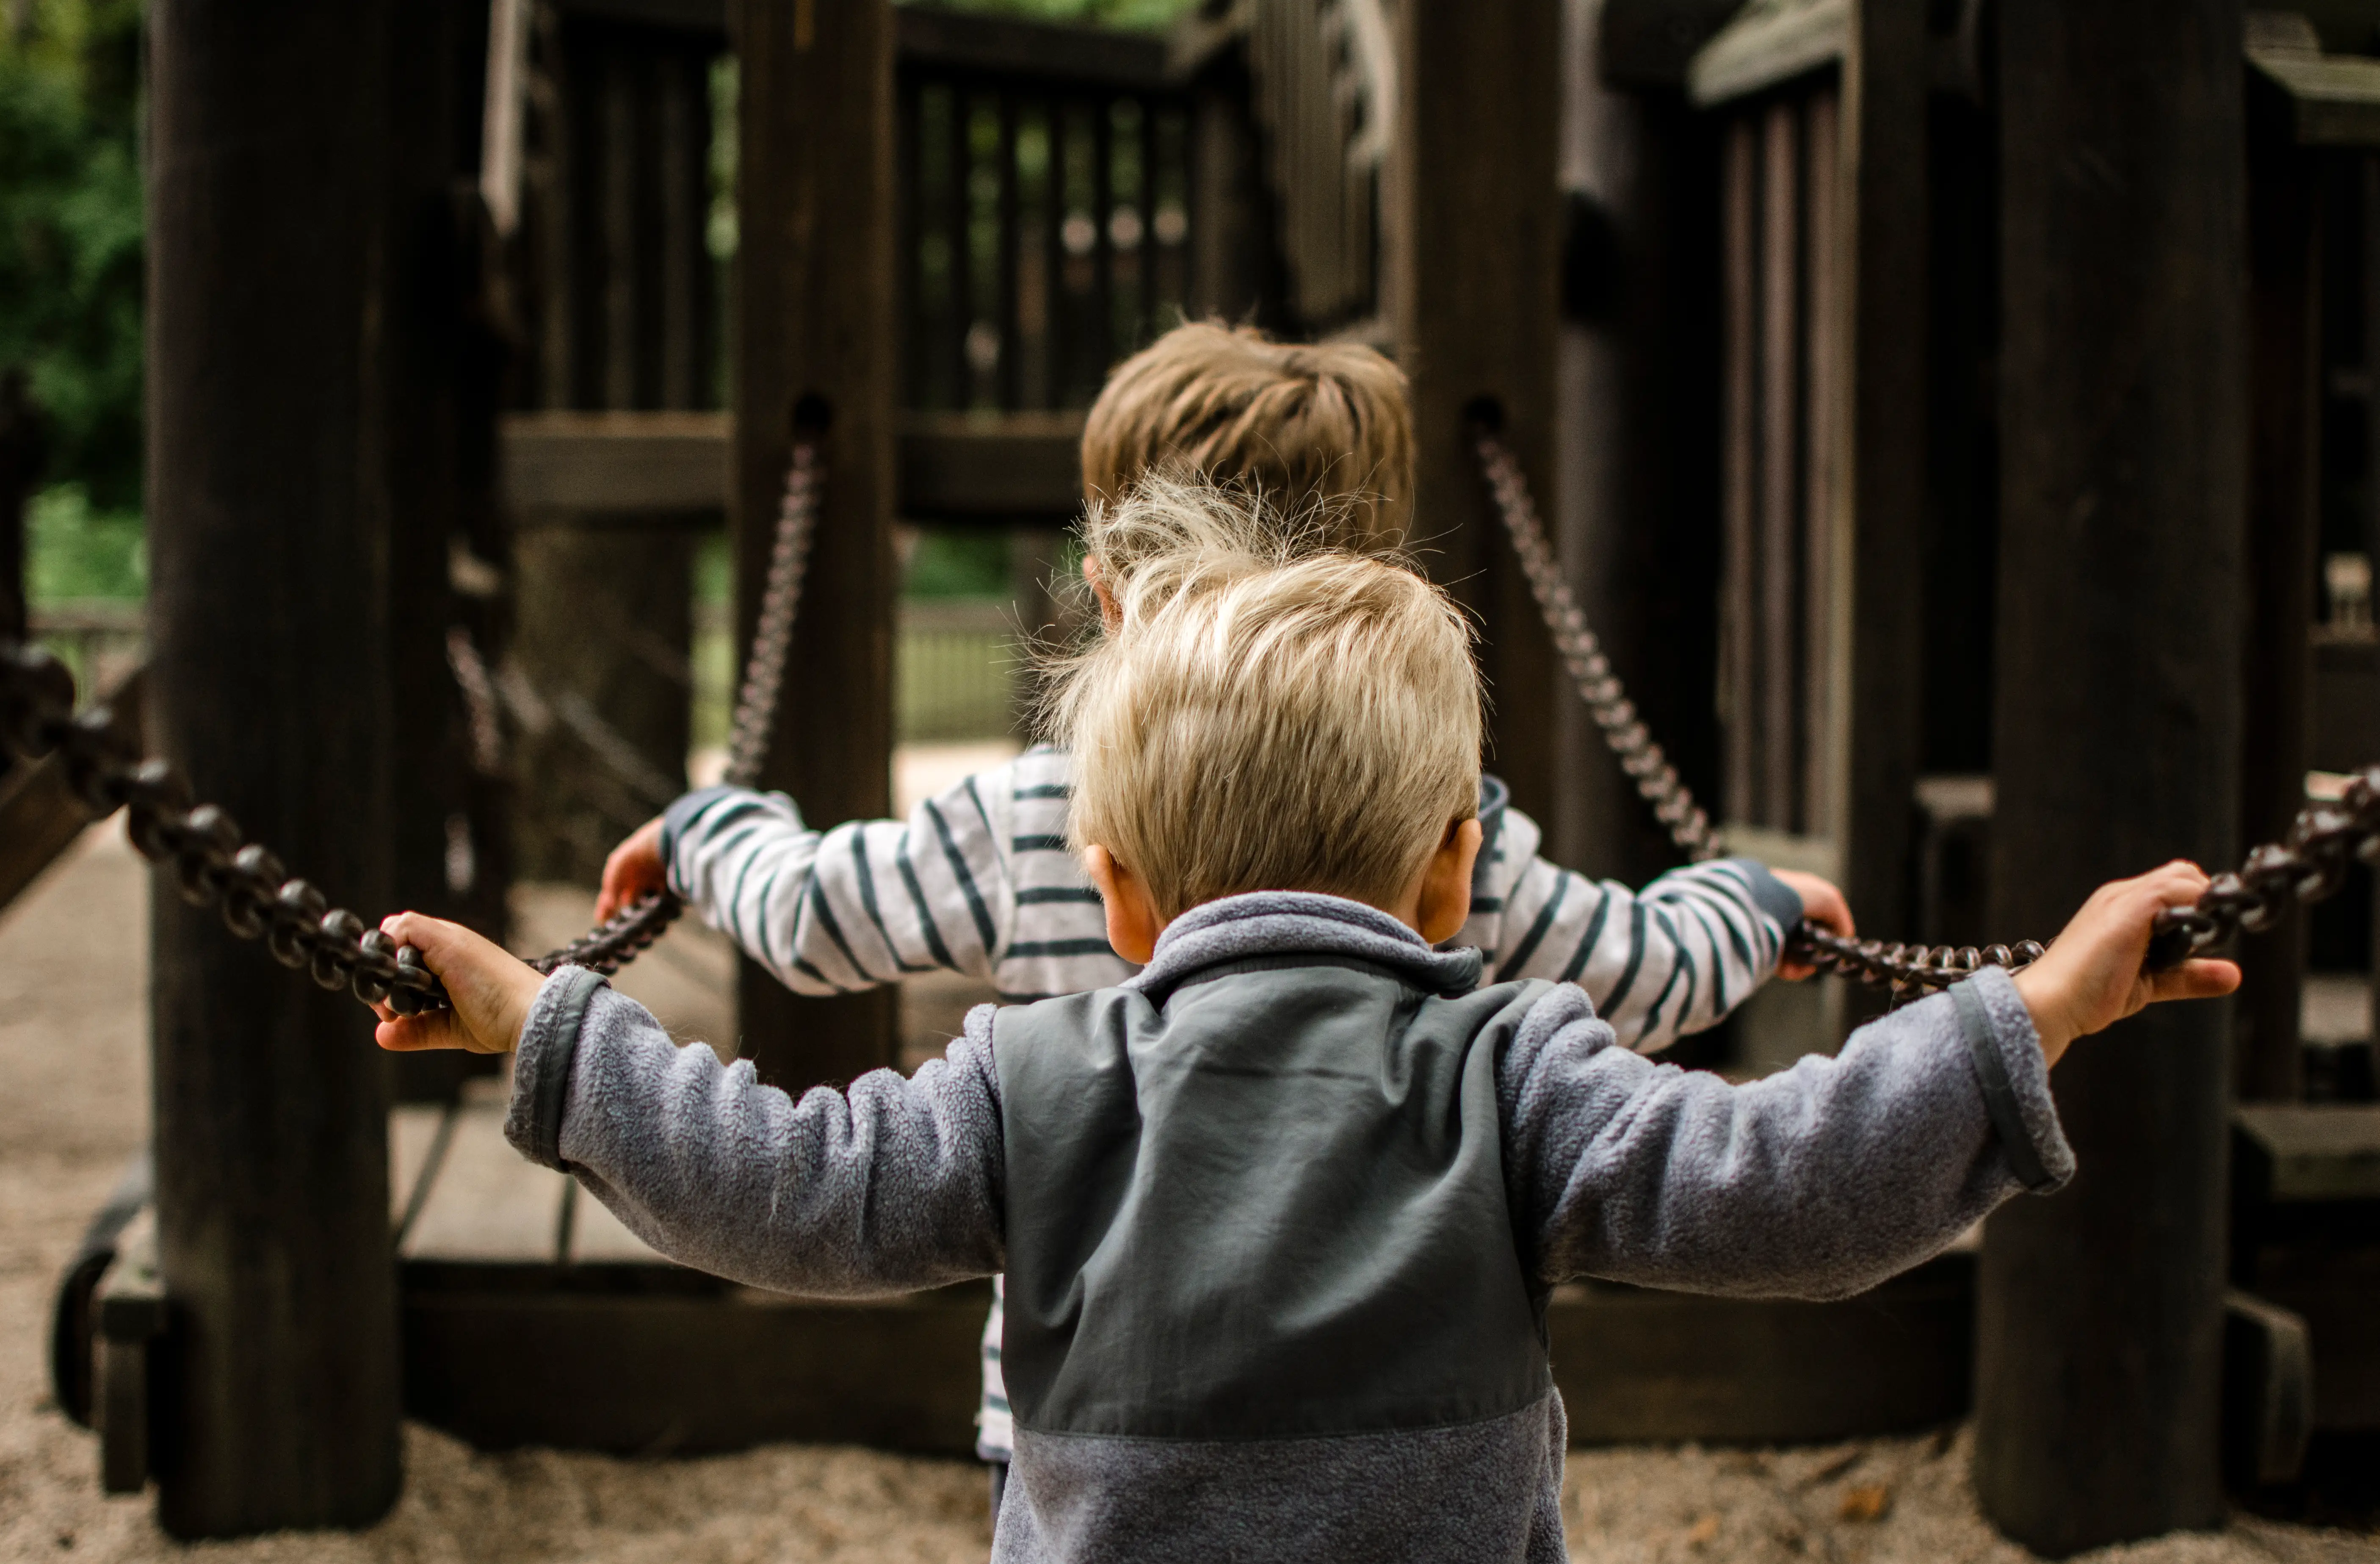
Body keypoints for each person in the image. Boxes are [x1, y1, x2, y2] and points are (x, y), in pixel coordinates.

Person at [371, 482, 2236, 1564]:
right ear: (1451, 876)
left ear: (1113, 893)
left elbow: (776, 1190)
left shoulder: (1028, 1083)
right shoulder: (1518, 1070)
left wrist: (547, 1025)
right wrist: (2041, 1007)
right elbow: (1792, 1190)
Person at [590, 319, 1855, 1501]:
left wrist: (713, 834)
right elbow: (1634, 970)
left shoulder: (1037, 814)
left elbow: (814, 915)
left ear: (1107, 595)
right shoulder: (1437, 820)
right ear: (1373, 595)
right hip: (1387, 1386)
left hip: (1095, 1391)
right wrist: (1747, 906)